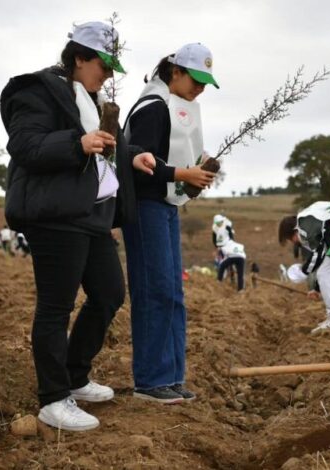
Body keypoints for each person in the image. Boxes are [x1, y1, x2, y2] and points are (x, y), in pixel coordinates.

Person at [0, 20, 156, 431]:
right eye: (103, 65)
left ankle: (74, 375)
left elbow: (108, 146)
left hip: (92, 216)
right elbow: (24, 145)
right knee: (56, 306)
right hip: (55, 215)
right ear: (80, 57)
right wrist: (76, 143)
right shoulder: (38, 90)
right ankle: (53, 399)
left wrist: (133, 155)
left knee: (109, 293)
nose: (107, 75)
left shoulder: (94, 100)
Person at [121, 42, 218, 404]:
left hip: (165, 206)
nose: (200, 89)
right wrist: (183, 174)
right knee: (155, 290)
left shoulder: (177, 107)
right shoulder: (153, 108)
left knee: (174, 293)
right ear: (175, 72)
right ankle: (150, 381)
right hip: (145, 206)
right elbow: (141, 165)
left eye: (205, 83)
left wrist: (196, 172)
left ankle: (172, 376)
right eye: (196, 80)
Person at [278, 201, 330, 333]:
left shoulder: (304, 223)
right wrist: (317, 289)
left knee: (326, 274)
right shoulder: (311, 218)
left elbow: (318, 253)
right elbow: (323, 259)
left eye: (291, 239)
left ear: (293, 232)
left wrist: (303, 271)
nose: (295, 243)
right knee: (329, 275)